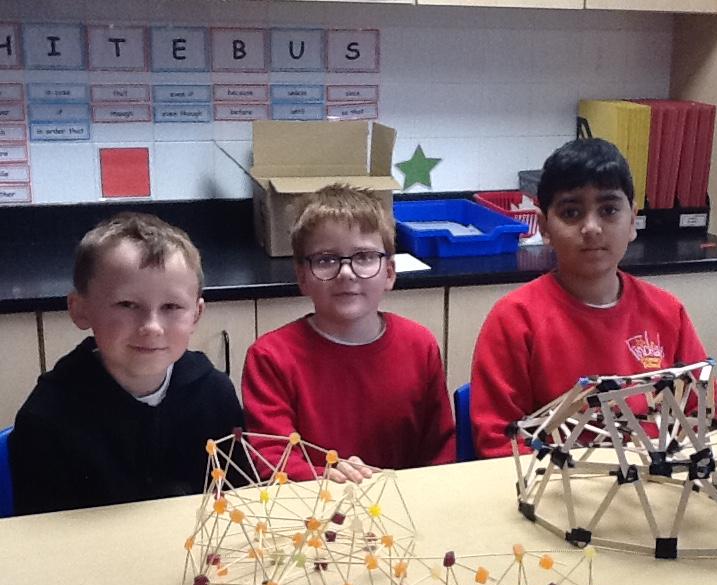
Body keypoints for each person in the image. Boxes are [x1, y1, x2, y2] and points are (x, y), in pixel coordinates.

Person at [470, 138, 717, 458]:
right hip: (554, 485)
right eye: (571, 212)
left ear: (633, 221)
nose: (591, 227)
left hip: (655, 482)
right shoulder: (514, 319)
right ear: (544, 227)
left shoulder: (669, 313)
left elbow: (700, 417)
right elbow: (498, 441)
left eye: (609, 210)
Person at [10, 213, 244, 515]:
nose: (152, 327)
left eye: (171, 306)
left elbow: (238, 502)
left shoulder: (215, 394)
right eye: (127, 305)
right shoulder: (46, 418)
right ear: (80, 310)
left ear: (196, 315)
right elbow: (41, 534)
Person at [241, 184, 455, 482]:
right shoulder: (270, 357)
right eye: (326, 259)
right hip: (314, 503)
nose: (345, 272)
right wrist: (324, 478)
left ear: (389, 273)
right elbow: (272, 459)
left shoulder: (419, 345)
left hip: (406, 501)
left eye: (364, 256)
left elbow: (441, 451)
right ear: (302, 277)